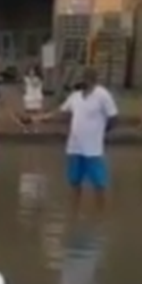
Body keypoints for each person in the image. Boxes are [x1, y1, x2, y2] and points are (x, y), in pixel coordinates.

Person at [32, 68, 118, 210]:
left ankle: (100, 213)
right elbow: (61, 111)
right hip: (75, 147)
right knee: (74, 181)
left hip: (93, 150)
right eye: (82, 79)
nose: (83, 82)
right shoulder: (75, 96)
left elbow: (113, 118)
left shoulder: (102, 95)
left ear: (93, 81)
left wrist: (102, 132)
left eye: (87, 79)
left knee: (99, 184)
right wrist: (40, 118)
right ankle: (74, 210)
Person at [21, 64, 45, 132]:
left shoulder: (39, 79)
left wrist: (31, 79)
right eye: (30, 70)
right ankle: (25, 128)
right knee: (27, 114)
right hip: (29, 97)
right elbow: (24, 86)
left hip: (37, 97)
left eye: (32, 70)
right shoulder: (26, 78)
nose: (31, 72)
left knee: (36, 114)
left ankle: (36, 129)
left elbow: (35, 84)